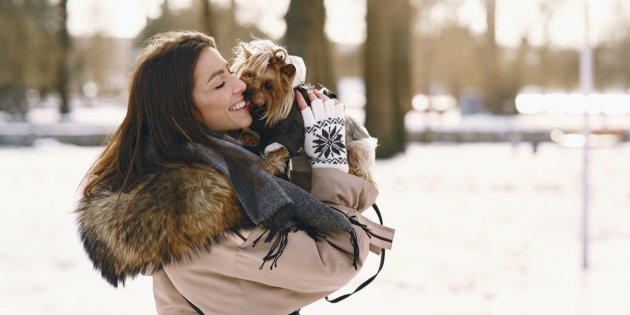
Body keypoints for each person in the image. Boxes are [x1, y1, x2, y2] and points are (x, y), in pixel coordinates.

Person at [75, 31, 394, 315]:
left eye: (230, 71)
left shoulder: (187, 170)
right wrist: (330, 161)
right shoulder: (207, 209)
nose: (241, 83)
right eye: (220, 82)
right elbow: (337, 258)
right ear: (184, 111)